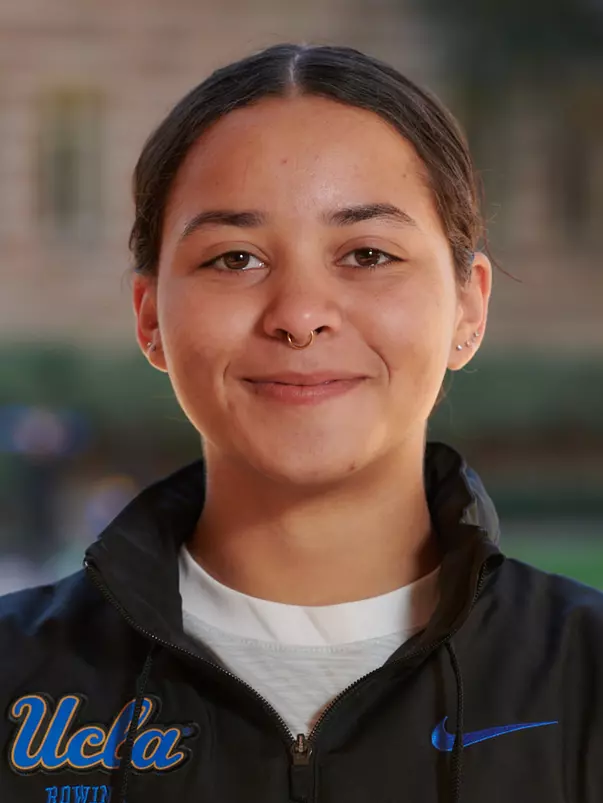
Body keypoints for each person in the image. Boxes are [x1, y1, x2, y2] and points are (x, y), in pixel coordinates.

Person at [1, 43, 601, 803]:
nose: (299, 315)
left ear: (468, 306)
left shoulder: (586, 679)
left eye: (368, 253)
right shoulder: (17, 683)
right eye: (235, 259)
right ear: (150, 317)